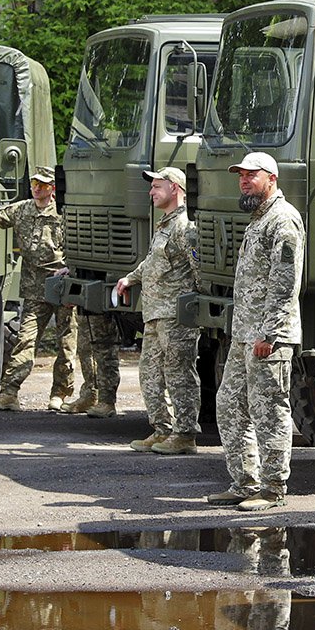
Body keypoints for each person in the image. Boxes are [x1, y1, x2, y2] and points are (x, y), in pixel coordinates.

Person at [206, 152, 304, 512]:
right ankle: (244, 482)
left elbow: (284, 283)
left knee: (269, 411)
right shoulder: (258, 220)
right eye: (241, 176)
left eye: (252, 176)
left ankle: (273, 488)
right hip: (245, 335)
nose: (244, 181)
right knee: (229, 404)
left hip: (268, 338)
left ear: (272, 179)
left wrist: (271, 333)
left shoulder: (283, 220)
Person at [115, 166, 201, 454]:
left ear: (174, 188)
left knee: (179, 373)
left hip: (176, 315)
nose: (151, 192)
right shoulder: (165, 224)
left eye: (156, 187)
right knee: (150, 371)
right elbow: (154, 262)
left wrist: (192, 305)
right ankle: (162, 429)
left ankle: (185, 435)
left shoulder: (186, 227)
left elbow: (199, 271)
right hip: (154, 313)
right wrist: (130, 278)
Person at [0, 165, 77, 411]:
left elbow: (81, 245)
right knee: (26, 339)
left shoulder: (65, 212)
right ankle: (10, 393)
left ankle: (60, 394)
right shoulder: (23, 209)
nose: (37, 188)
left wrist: (72, 270)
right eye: (35, 184)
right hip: (35, 288)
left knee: (66, 343)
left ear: (52, 189)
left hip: (63, 285)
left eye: (43, 185)